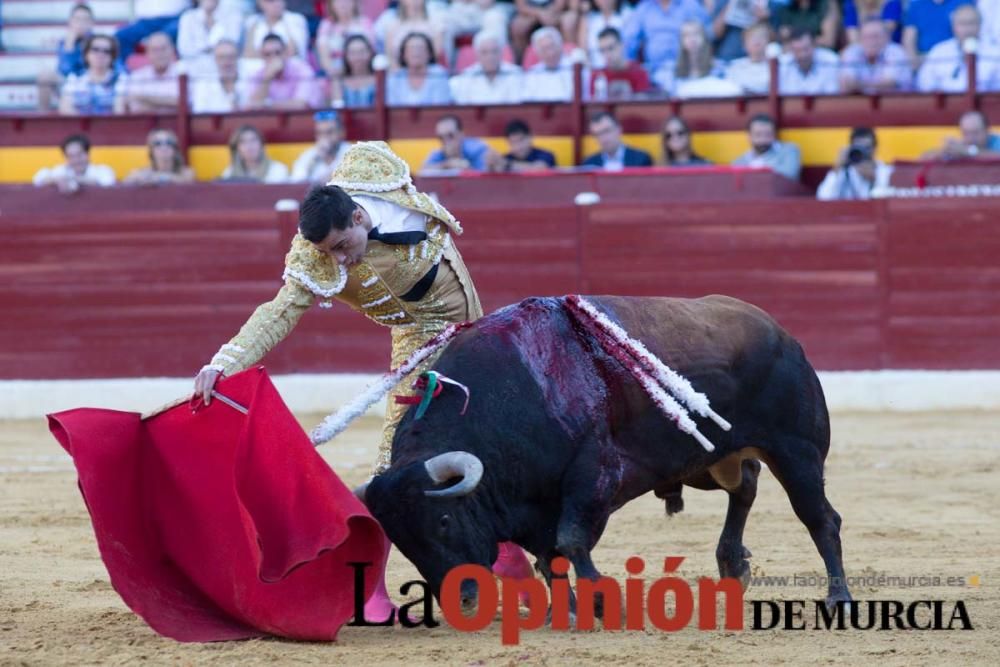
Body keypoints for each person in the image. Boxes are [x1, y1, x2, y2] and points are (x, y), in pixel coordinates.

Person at [192, 141, 535, 620]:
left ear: (357, 217)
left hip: (478, 334)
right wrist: (225, 362)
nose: (338, 261)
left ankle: (503, 552)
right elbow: (278, 313)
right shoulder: (315, 256)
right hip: (419, 342)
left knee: (496, 444)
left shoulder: (373, 172)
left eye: (341, 247)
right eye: (326, 254)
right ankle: (369, 592)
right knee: (395, 464)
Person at [916, 4, 1000, 93]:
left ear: (980, 25)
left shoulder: (995, 53)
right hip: (945, 104)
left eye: (972, 23)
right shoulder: (939, 51)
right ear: (953, 26)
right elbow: (924, 85)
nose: (968, 29)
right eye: (962, 24)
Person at [623, 0, 711, 73]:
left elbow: (706, 35)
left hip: (686, 70)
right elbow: (629, 40)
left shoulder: (690, 5)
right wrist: (630, 70)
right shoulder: (644, 8)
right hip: (654, 71)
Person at [655, 19, 737, 97]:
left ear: (704, 38)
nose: (692, 39)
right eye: (686, 35)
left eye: (696, 34)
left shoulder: (719, 68)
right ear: (681, 41)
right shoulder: (670, 71)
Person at [37, 3, 95, 111]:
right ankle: (42, 115)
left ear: (91, 23)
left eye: (85, 20)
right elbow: (64, 71)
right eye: (77, 19)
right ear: (70, 22)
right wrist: (70, 46)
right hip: (70, 82)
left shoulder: (97, 41)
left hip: (91, 83)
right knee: (45, 76)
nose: (81, 23)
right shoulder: (65, 42)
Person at [58, 34, 128, 116]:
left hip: (111, 127)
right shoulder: (75, 78)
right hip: (80, 127)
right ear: (86, 54)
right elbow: (66, 107)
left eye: (107, 51)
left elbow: (119, 111)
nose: (100, 54)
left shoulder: (121, 78)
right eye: (95, 50)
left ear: (113, 57)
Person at [816, 127, 893, 200]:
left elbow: (891, 200)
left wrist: (876, 179)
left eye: (867, 147)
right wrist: (837, 169)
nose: (863, 152)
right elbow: (823, 197)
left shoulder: (885, 172)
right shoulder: (844, 171)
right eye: (859, 147)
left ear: (875, 148)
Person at [247, 33, 321, 109]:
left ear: (286, 53)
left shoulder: (302, 70)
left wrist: (267, 105)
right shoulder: (257, 75)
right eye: (267, 54)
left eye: (277, 53)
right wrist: (267, 78)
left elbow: (301, 105)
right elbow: (253, 106)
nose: (273, 58)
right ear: (262, 56)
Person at [448, 30, 523, 105]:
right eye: (484, 52)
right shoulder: (465, 77)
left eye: (494, 51)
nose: (490, 57)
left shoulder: (516, 74)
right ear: (477, 54)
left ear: (501, 52)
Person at [839, 17, 913, 93]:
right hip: (859, 102)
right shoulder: (852, 51)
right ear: (860, 39)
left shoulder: (896, 51)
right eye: (867, 37)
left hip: (894, 102)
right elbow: (846, 85)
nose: (872, 42)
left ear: (887, 38)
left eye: (876, 36)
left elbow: (891, 85)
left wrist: (858, 85)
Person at [33, 134, 117, 193]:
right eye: (71, 156)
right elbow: (38, 179)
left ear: (87, 154)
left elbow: (107, 183)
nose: (76, 160)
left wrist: (73, 179)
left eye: (79, 155)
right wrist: (56, 180)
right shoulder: (61, 170)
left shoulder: (102, 170)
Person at [176, 0, 244, 73]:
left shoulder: (234, 16)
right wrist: (212, 48)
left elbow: (230, 47)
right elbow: (185, 50)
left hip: (224, 68)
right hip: (194, 69)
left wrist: (201, 48)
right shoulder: (187, 17)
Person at [386, 32, 452, 106]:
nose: (416, 52)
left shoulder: (439, 74)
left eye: (420, 48)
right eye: (411, 48)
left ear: (429, 54)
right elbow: (392, 108)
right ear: (403, 55)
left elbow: (441, 108)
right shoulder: (395, 78)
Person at [114, 0, 189, 65]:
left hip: (175, 18)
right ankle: (126, 73)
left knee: (164, 38)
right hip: (146, 21)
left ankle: (180, 69)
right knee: (121, 36)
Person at [121, 32, 180, 114]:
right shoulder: (137, 76)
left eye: (163, 48)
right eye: (155, 50)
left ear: (173, 50)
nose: (159, 54)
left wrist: (144, 99)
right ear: (147, 53)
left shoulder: (184, 72)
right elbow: (135, 107)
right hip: (144, 125)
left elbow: (185, 102)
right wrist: (169, 103)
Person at [903, 0, 976, 66]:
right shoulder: (916, 6)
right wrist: (916, 65)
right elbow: (909, 41)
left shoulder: (964, 2)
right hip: (924, 60)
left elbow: (972, 30)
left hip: (957, 59)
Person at [732, 112, 802, 180]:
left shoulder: (789, 151)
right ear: (749, 136)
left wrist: (756, 169)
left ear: (774, 135)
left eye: (768, 135)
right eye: (758, 135)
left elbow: (789, 176)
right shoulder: (740, 162)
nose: (763, 140)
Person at [316, 0, 377, 77]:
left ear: (355, 3)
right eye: (338, 1)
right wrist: (336, 73)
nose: (343, 4)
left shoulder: (365, 23)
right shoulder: (326, 26)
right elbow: (324, 57)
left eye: (347, 1)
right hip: (335, 76)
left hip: (363, 73)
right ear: (331, 4)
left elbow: (371, 51)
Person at [190, 39, 252, 113]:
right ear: (215, 60)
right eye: (221, 57)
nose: (226, 62)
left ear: (237, 59)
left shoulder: (250, 80)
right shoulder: (204, 85)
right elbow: (199, 117)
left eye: (231, 57)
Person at [421, 114, 501, 172]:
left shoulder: (477, 149)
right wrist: (446, 165)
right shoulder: (438, 153)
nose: (446, 141)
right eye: (441, 138)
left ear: (461, 134)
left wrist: (466, 169)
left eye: (450, 136)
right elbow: (423, 171)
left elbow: (485, 175)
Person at [588, 26, 650, 99]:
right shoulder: (597, 76)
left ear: (622, 45)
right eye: (602, 50)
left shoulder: (639, 72)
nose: (606, 54)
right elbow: (595, 107)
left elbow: (643, 106)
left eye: (610, 48)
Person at [291, 110, 352, 183]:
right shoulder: (308, 156)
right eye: (320, 133)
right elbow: (296, 184)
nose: (324, 137)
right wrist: (314, 160)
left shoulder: (352, 153)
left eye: (329, 132)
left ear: (341, 132)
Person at [581, 111, 654, 169]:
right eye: (597, 134)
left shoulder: (641, 159)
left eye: (606, 131)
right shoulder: (589, 164)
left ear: (619, 130)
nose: (603, 138)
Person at [777, 27, 839, 95]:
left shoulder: (830, 61)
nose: (803, 55)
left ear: (814, 45)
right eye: (797, 51)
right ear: (791, 49)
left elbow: (832, 96)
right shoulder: (782, 65)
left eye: (806, 49)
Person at [522, 27, 577, 102]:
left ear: (560, 46)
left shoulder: (573, 67)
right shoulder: (532, 73)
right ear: (537, 53)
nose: (550, 53)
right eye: (544, 49)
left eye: (552, 47)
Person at [124, 129, 196, 185]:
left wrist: (159, 178)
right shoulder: (140, 173)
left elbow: (186, 181)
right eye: (158, 143)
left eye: (169, 143)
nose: (164, 147)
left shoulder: (187, 173)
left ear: (175, 149)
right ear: (151, 150)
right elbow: (126, 183)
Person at [221, 125, 291, 182]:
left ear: (262, 145)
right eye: (243, 142)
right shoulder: (229, 172)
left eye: (253, 140)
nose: (249, 146)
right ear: (236, 149)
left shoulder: (278, 170)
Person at [921, 110, 1000, 160]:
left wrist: (969, 151)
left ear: (987, 131)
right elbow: (922, 158)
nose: (971, 138)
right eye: (966, 133)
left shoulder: (997, 142)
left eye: (975, 133)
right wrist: (943, 152)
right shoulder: (961, 147)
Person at [243, 0, 310, 57]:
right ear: (260, 2)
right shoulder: (252, 22)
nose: (277, 4)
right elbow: (247, 55)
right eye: (271, 1)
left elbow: (294, 52)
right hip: (257, 69)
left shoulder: (296, 19)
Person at [577, 0, 632, 67]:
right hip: (596, 69)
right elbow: (584, 51)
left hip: (621, 69)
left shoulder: (627, 15)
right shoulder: (589, 19)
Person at [329, 34, 377, 108]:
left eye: (362, 52)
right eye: (352, 53)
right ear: (346, 56)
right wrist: (336, 80)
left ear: (370, 53)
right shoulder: (339, 81)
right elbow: (337, 109)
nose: (357, 57)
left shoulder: (379, 80)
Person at [724, 20, 771, 94]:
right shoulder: (734, 67)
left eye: (761, 36)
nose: (757, 41)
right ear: (744, 45)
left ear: (768, 41)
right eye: (752, 37)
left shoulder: (779, 67)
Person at [773, 0, 840, 50]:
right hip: (794, 53)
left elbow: (828, 41)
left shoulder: (824, 4)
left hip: (820, 52)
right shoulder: (787, 8)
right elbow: (783, 39)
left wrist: (803, 43)